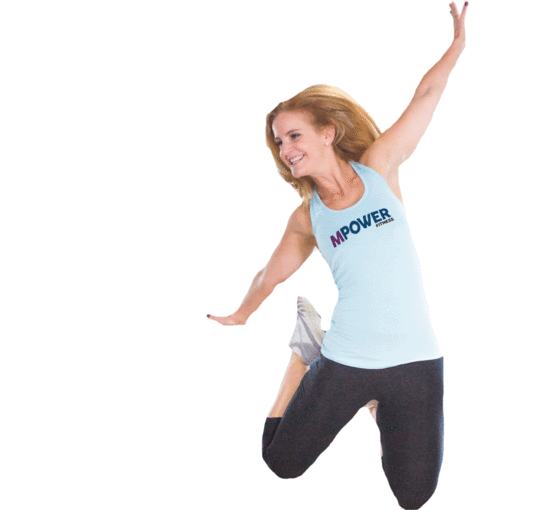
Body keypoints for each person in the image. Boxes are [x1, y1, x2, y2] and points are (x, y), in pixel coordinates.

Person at [207, 3, 468, 508]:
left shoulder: (380, 168)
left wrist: (456, 47)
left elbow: (426, 95)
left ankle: (379, 404)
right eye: (279, 141)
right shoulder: (308, 219)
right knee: (281, 462)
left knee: (414, 496)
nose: (286, 148)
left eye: (294, 135)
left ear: (327, 132)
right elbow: (268, 276)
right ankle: (305, 354)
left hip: (416, 356)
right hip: (346, 356)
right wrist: (242, 313)